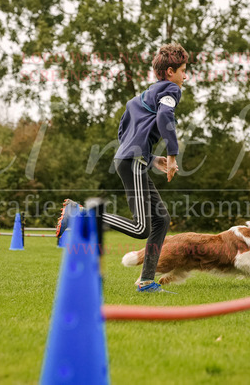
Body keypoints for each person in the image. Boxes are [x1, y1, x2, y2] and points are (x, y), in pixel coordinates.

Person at [57, 43, 188, 293]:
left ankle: (146, 281)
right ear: (170, 72)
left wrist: (152, 158)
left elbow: (123, 132)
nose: (186, 76)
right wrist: (172, 155)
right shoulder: (171, 89)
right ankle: (79, 215)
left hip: (131, 160)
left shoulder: (140, 98)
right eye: (183, 70)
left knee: (161, 220)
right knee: (141, 228)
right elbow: (165, 117)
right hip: (133, 161)